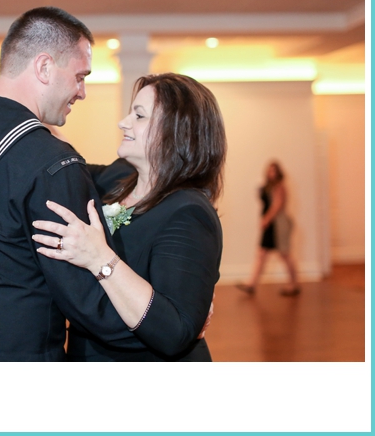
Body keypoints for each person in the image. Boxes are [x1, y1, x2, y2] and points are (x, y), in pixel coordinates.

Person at [0, 7, 136, 361]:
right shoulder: (49, 160)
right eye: (80, 76)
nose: (82, 92)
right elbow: (86, 297)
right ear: (44, 67)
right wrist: (167, 325)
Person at [32, 73, 225, 361]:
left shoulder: (189, 213)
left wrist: (99, 258)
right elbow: (67, 162)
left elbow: (174, 333)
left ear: (176, 131)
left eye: (139, 115)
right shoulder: (121, 176)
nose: (123, 122)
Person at [239, 161, 300, 296]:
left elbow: (277, 205)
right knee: (261, 254)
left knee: (285, 254)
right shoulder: (267, 187)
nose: (271, 173)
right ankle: (251, 283)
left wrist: (266, 219)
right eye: (270, 170)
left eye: (274, 171)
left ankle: (294, 283)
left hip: (277, 226)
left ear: (278, 173)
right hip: (270, 226)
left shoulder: (280, 187)